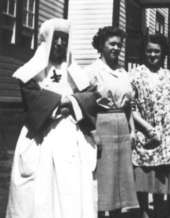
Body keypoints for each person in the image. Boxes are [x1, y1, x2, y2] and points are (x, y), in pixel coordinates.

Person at [6, 18, 97, 218]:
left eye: (64, 39)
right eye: (56, 38)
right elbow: (32, 98)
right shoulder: (32, 70)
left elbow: (90, 96)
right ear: (47, 40)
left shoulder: (73, 69)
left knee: (70, 190)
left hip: (69, 135)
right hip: (42, 136)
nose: (60, 43)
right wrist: (64, 101)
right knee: (39, 192)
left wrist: (70, 103)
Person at [85, 26, 138, 218]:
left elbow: (129, 106)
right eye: (112, 44)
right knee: (103, 178)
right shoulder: (92, 71)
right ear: (101, 45)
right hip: (102, 124)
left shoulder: (123, 72)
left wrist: (132, 130)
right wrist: (92, 132)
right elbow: (84, 104)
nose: (116, 48)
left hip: (122, 126)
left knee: (121, 179)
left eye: (119, 45)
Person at [131, 34, 170, 218]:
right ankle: (144, 213)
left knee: (161, 183)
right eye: (149, 51)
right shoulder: (136, 74)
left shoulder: (169, 75)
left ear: (163, 53)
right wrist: (147, 129)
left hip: (165, 136)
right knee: (143, 181)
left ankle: (160, 213)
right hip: (144, 133)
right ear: (144, 52)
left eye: (157, 51)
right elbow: (132, 107)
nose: (153, 54)